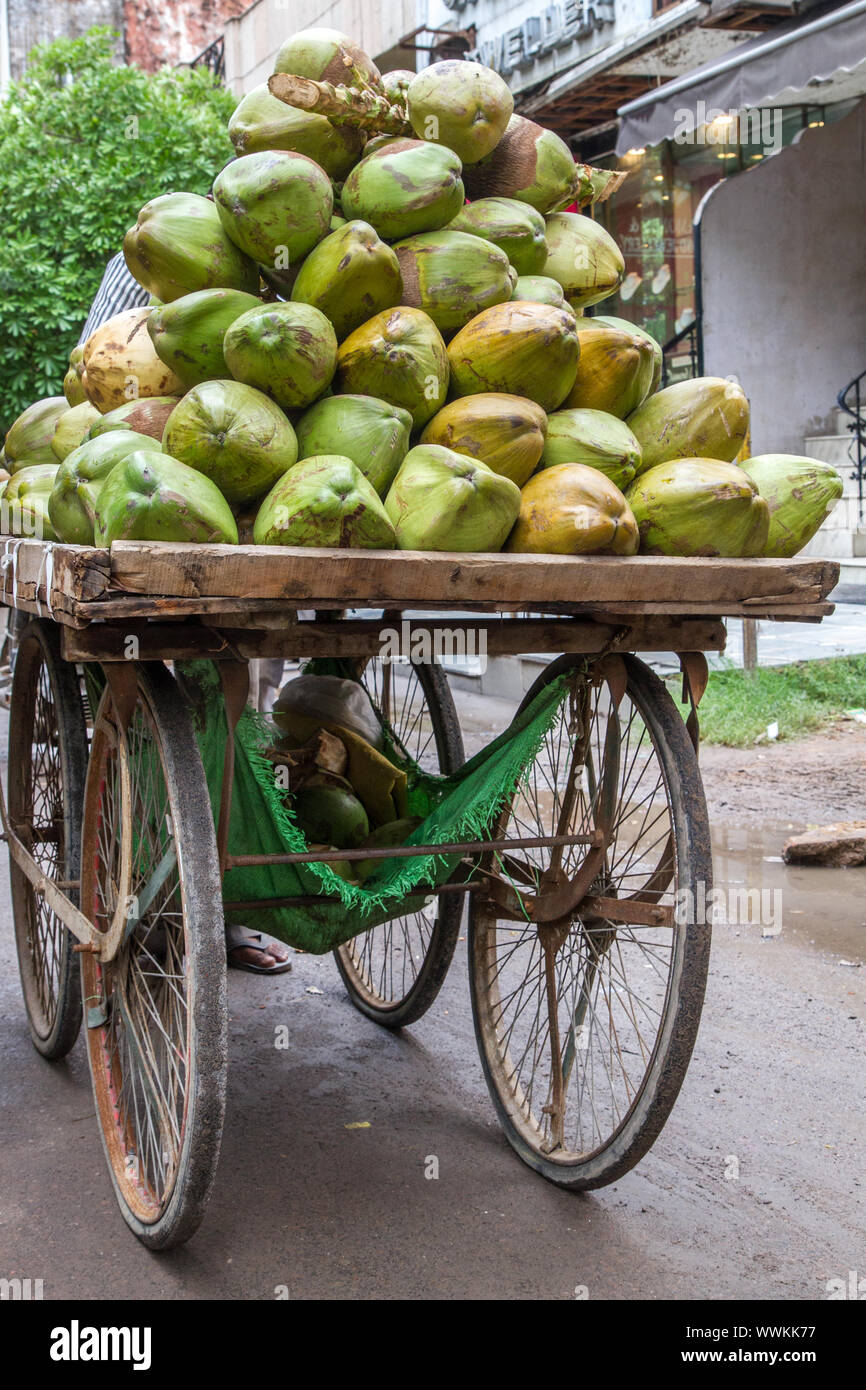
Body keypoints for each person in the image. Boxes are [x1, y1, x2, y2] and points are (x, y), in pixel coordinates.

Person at [80, 252, 291, 975]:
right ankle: (131, 878)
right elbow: (99, 367)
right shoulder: (152, 259)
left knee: (248, 705)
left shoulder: (285, 258)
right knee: (144, 703)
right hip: (155, 494)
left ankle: (225, 907)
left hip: (254, 513)